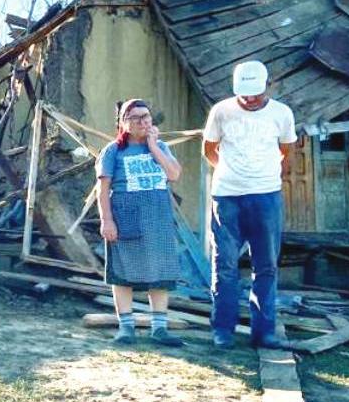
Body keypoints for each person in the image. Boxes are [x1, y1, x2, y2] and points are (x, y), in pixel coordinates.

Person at [202, 60, 297, 350]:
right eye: (245, 95)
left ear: (268, 87)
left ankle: (263, 333)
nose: (250, 100)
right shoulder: (221, 111)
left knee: (266, 265)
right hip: (227, 197)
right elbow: (209, 149)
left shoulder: (282, 114)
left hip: (266, 196)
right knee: (225, 264)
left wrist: (262, 175)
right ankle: (223, 330)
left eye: (255, 94)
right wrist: (232, 173)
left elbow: (286, 151)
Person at [95, 99, 184, 346]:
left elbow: (174, 175)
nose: (144, 121)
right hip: (126, 217)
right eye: (136, 118)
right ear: (124, 123)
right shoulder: (113, 150)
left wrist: (154, 147)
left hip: (158, 218)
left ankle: (159, 328)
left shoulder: (161, 147)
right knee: (123, 272)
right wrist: (107, 221)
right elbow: (102, 190)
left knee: (160, 271)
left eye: (146, 116)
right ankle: (126, 327)